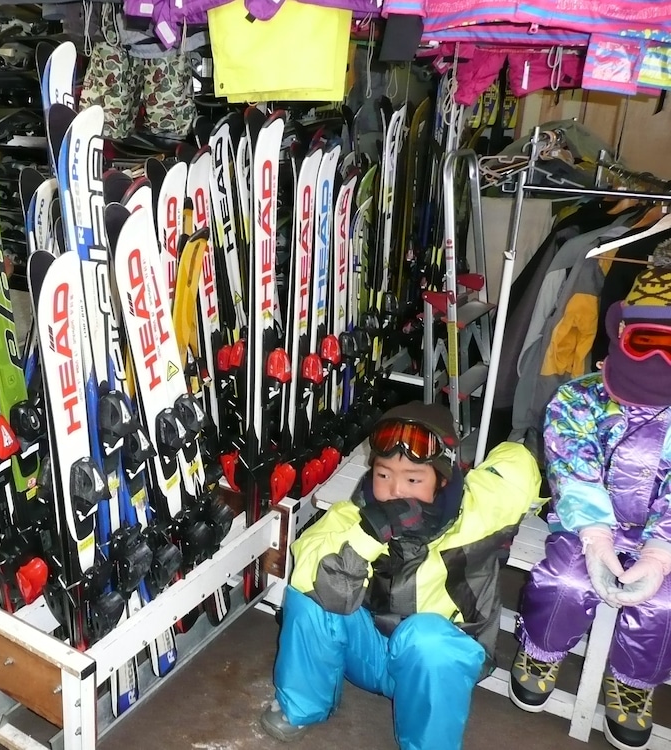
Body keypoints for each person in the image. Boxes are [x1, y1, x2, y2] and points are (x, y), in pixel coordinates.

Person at [261, 401, 542, 749]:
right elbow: (313, 583)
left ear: (442, 479)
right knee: (310, 592)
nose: (395, 490)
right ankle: (302, 705)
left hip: (433, 667)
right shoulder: (352, 517)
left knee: (427, 638)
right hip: (367, 653)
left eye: (412, 478)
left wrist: (541, 453)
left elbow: (516, 467)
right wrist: (368, 535)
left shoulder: (479, 512)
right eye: (383, 475)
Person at [511, 266, 671, 750]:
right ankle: (541, 650)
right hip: (585, 524)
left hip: (659, 534)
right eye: (647, 341)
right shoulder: (579, 398)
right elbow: (572, 467)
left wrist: (660, 551)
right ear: (621, 334)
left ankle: (634, 682)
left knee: (664, 601)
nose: (660, 358)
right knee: (566, 579)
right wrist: (596, 535)